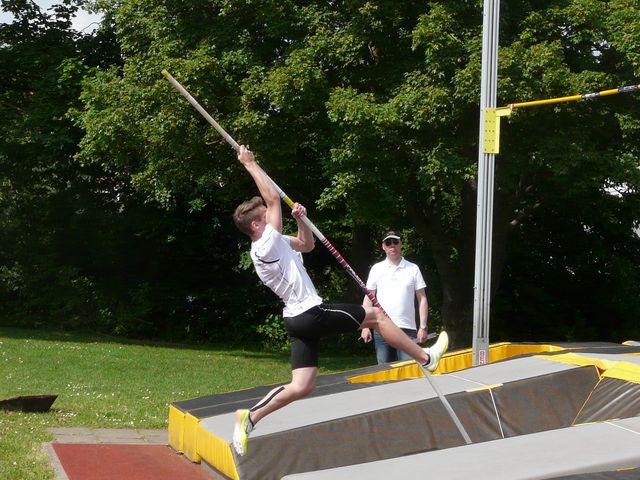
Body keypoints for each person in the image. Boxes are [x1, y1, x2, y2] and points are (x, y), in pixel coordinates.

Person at [230, 145, 448, 456]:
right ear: (256, 226)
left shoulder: (275, 242)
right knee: (377, 316)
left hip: (296, 320)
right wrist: (250, 164)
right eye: (266, 216)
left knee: (302, 385)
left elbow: (305, 245)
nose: (272, 215)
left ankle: (250, 418)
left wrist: (301, 219)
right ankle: (426, 358)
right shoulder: (264, 246)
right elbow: (273, 198)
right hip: (310, 313)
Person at [360, 230, 430, 364]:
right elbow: (369, 298)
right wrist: (365, 326)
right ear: (383, 246)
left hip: (407, 330)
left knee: (409, 369)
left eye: (395, 242)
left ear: (401, 244)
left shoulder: (413, 268)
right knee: (384, 371)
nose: (392, 245)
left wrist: (423, 327)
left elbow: (422, 299)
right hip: (382, 328)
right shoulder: (376, 269)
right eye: (388, 243)